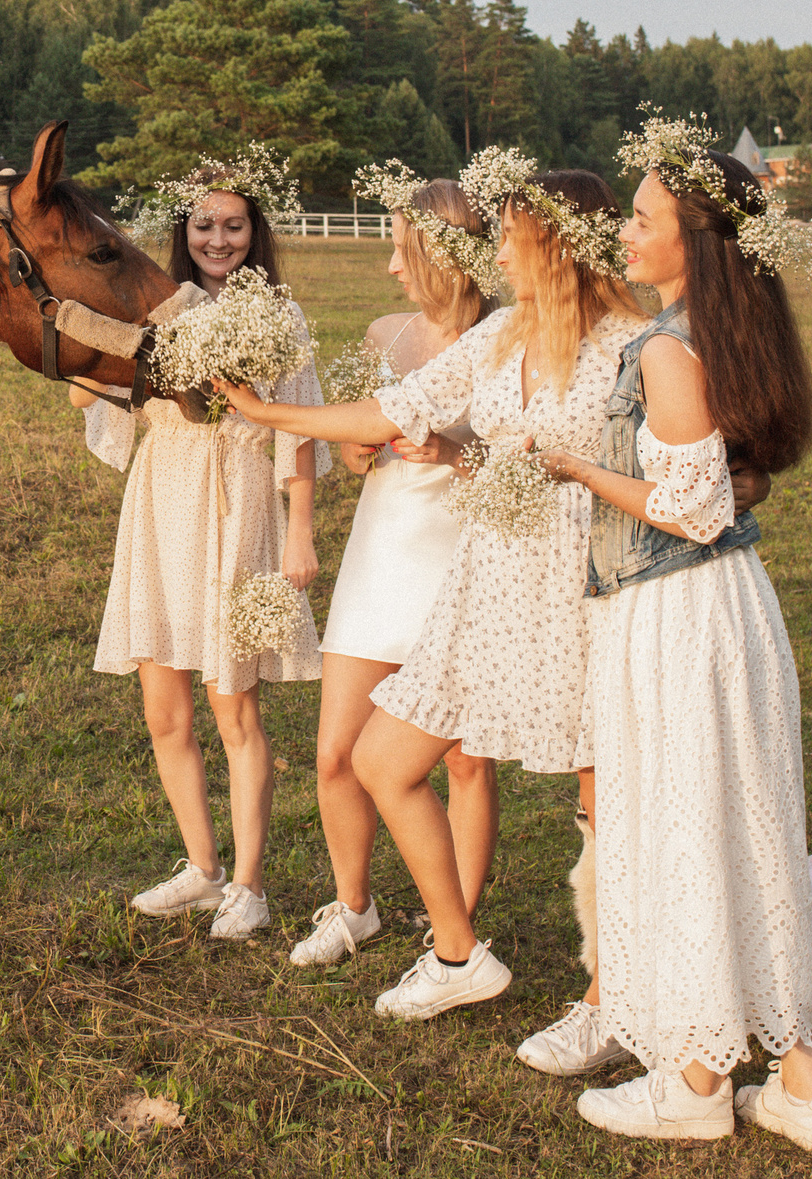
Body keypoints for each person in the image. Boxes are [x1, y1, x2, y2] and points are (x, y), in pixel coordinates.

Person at [529, 133, 812, 1151]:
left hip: (674, 615)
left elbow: (688, 507)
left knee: (685, 828)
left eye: (641, 219)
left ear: (693, 245)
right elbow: (733, 480)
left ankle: (696, 1084)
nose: (623, 230)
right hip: (727, 609)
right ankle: (801, 1086)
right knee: (747, 831)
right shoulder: (732, 327)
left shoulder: (669, 344)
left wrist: (573, 466)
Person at [219, 158, 646, 1019]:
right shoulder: (502, 338)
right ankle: (457, 953)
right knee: (378, 756)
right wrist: (267, 413)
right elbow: (387, 413)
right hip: (483, 585)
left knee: (601, 797)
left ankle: (613, 994)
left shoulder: (631, 345)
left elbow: (674, 466)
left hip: (585, 592)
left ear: (559, 249)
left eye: (517, 241)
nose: (503, 257)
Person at [77, 149, 326, 944]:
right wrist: (92, 344)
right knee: (164, 709)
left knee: (235, 707)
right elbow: (95, 393)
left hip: (240, 497)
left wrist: (299, 529)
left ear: (255, 233)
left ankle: (248, 885)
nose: (219, 238)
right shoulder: (162, 306)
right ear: (185, 232)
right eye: (205, 224)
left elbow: (301, 429)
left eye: (234, 225)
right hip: (162, 499)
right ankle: (201, 865)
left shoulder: (278, 314)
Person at [289, 178, 501, 967]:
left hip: (463, 558)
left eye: (401, 249)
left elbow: (526, 461)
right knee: (335, 752)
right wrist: (356, 449)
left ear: (441, 254)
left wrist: (452, 451)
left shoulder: (505, 342)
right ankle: (354, 906)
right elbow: (357, 442)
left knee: (464, 759)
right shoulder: (387, 334)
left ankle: (455, 922)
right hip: (382, 551)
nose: (389, 267)